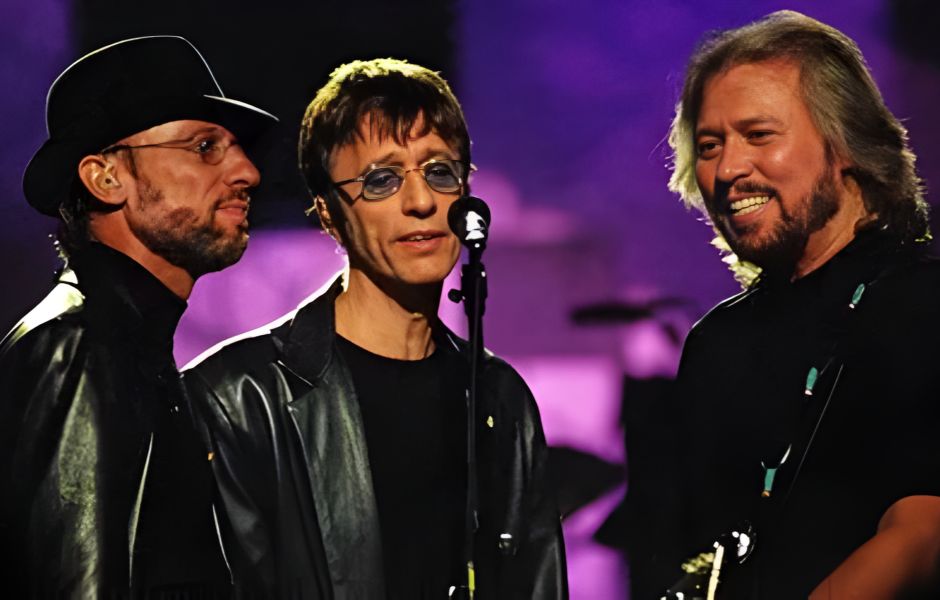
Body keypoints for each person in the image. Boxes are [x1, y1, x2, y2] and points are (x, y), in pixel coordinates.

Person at [184, 58, 567, 598]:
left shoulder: (499, 396)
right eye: (381, 180)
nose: (421, 201)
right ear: (328, 213)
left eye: (440, 171)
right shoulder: (238, 397)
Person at [654, 10, 940, 599]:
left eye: (759, 135)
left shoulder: (921, 304)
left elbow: (923, 531)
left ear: (845, 143)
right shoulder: (715, 344)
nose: (728, 168)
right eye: (709, 145)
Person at [0, 36, 277, 597]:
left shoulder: (124, 347)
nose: (247, 171)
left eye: (237, 148)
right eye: (204, 146)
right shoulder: (76, 349)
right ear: (105, 178)